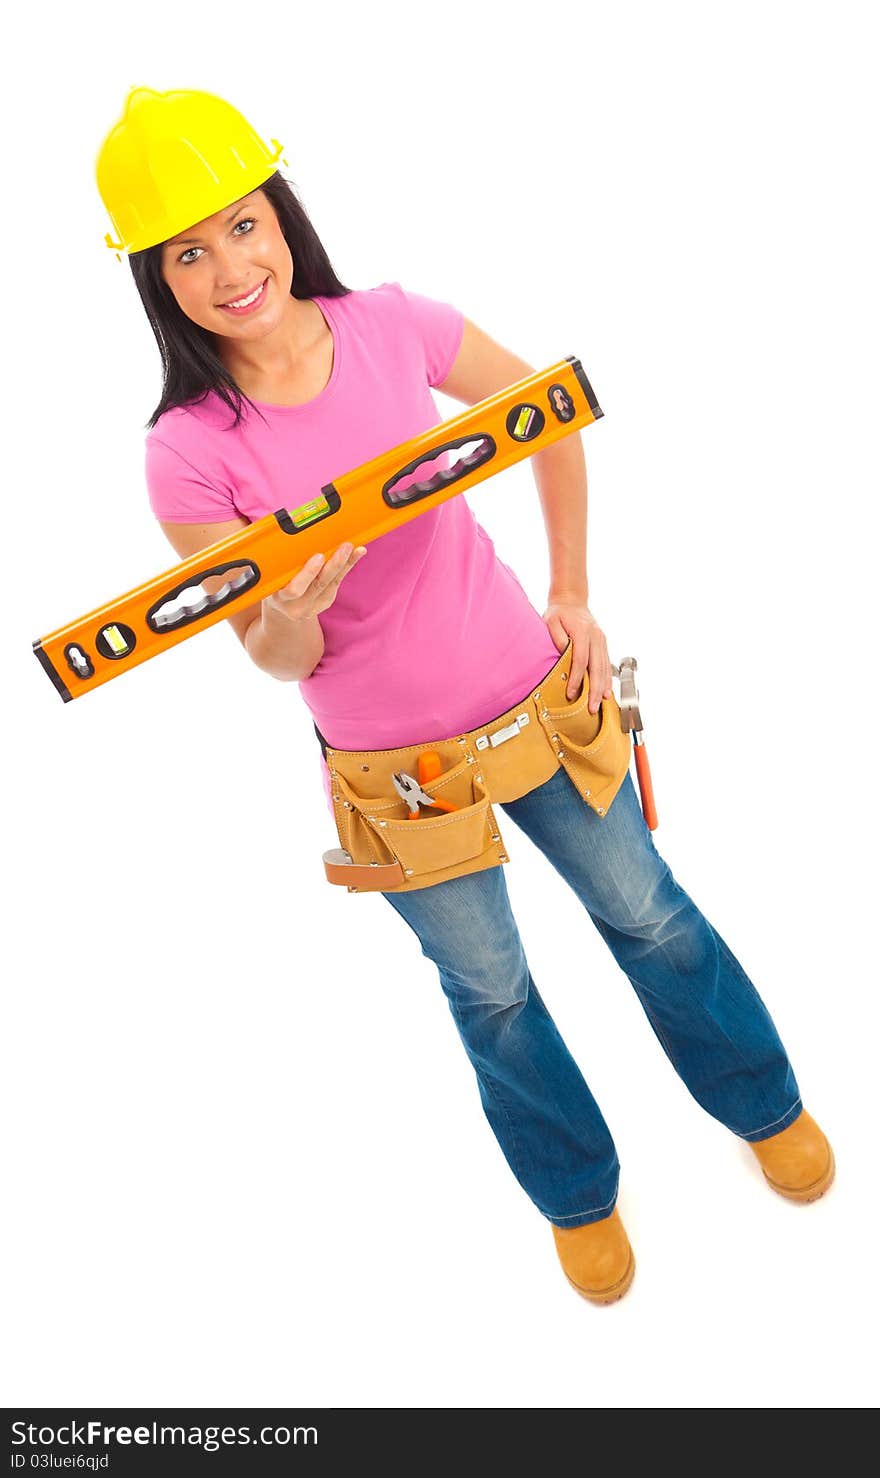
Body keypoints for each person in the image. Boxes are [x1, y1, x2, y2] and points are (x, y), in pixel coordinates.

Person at [97, 86, 834, 1305]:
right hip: (394, 774)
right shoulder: (185, 450)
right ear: (154, 276)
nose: (230, 265)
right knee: (489, 990)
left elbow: (546, 416)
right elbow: (271, 659)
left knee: (650, 914)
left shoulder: (393, 324)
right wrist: (284, 613)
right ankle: (576, 1194)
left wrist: (576, 590)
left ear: (281, 215)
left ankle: (762, 1103)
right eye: (188, 249)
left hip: (536, 699)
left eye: (243, 224)